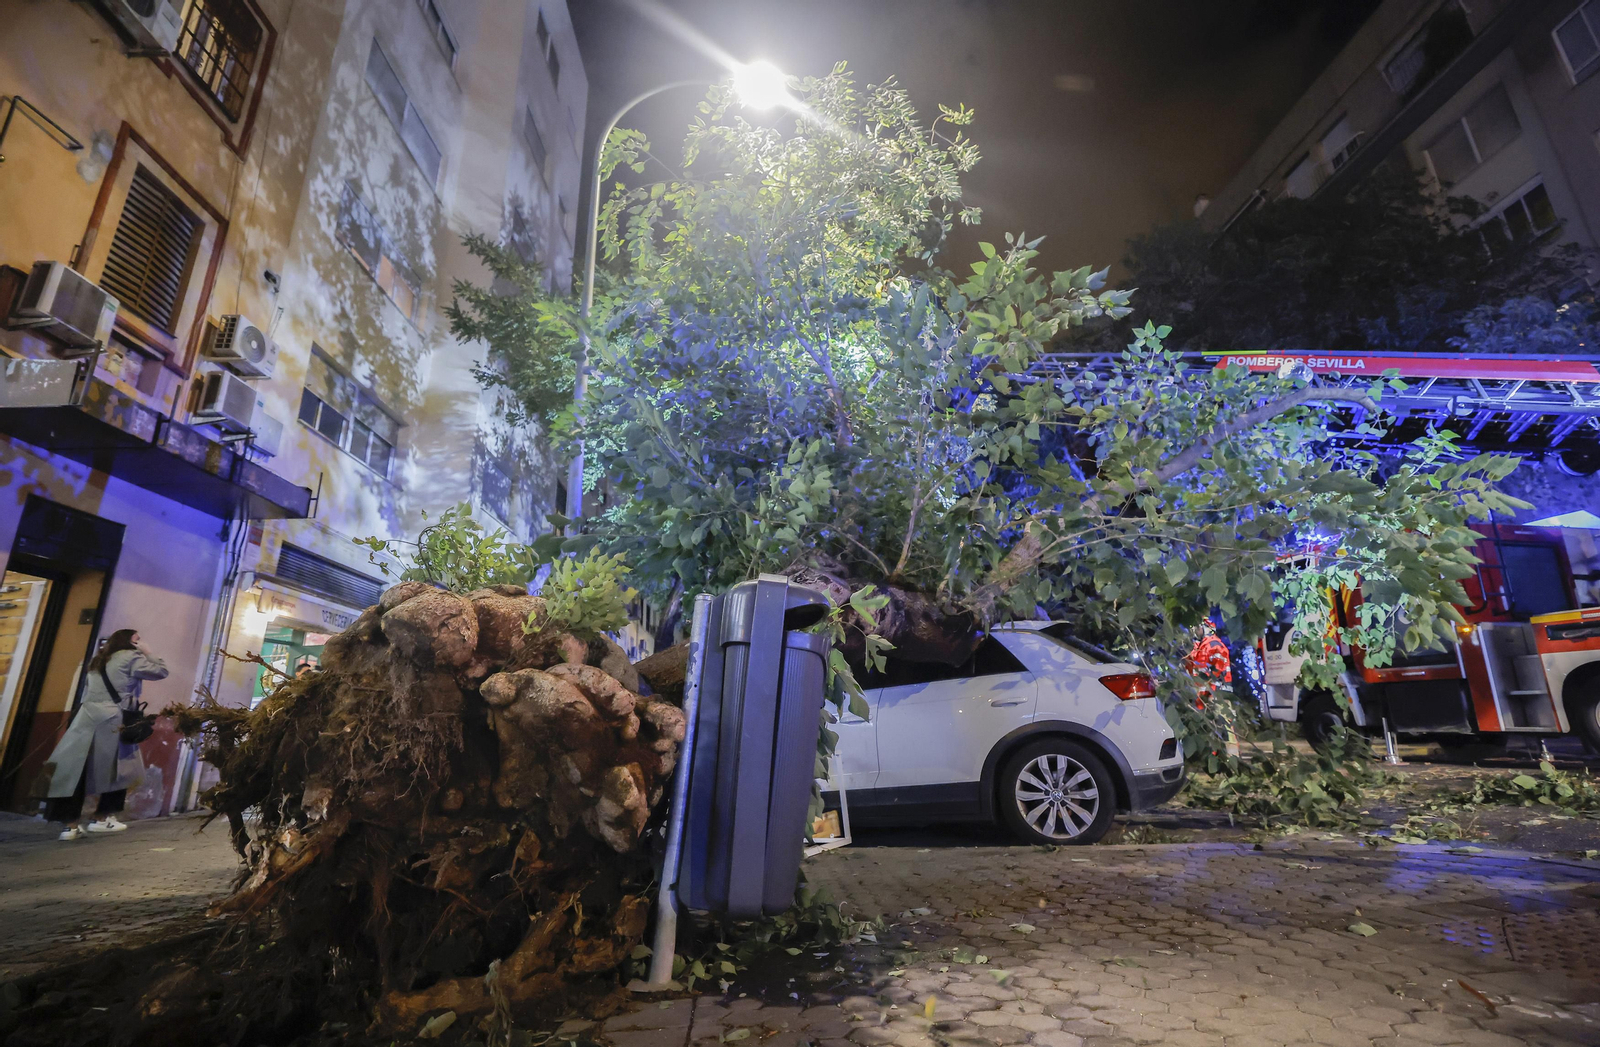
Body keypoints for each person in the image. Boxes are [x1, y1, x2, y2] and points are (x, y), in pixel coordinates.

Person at [42, 629, 168, 841]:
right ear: (129, 642)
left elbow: (86, 691)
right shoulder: (131, 657)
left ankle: (70, 826)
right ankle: (102, 818)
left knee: (75, 771)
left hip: (86, 718)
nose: (140, 642)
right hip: (114, 720)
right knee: (121, 769)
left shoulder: (98, 660)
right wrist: (148, 652)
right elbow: (160, 671)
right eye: (137, 639)